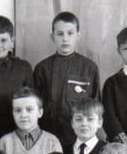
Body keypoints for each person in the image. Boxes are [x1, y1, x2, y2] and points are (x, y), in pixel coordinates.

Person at [33, 11, 100, 145]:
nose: (65, 39)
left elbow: (95, 106)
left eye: (70, 33)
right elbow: (35, 105)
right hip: (48, 134)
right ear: (52, 37)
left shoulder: (89, 68)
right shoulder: (42, 68)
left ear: (78, 36)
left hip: (78, 136)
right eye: (60, 34)